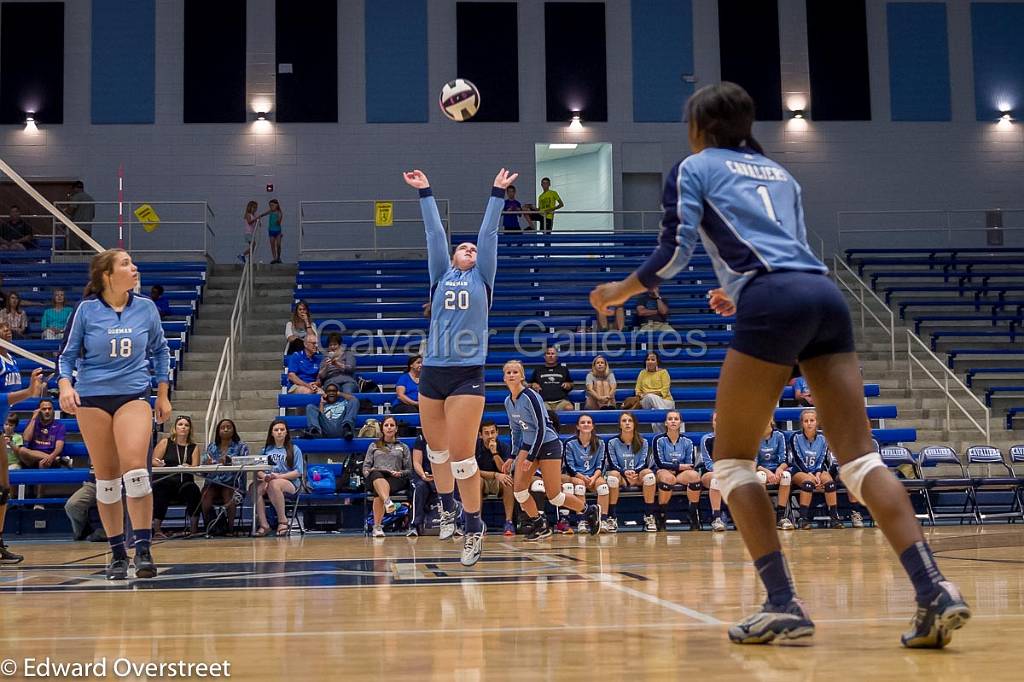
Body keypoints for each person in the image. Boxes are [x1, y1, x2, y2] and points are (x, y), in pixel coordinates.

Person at [589, 81, 968, 647]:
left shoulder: (693, 167)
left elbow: (674, 253)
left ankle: (782, 601)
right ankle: (934, 587)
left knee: (733, 462)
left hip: (773, 300)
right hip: (823, 295)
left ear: (699, 128)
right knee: (862, 462)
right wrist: (741, 291)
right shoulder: (783, 175)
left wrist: (615, 293)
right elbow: (780, 248)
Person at [403, 167, 514, 566]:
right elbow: (434, 235)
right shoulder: (440, 276)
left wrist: (496, 194)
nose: (468, 249)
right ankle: (446, 507)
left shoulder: (483, 276)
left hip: (468, 372)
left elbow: (487, 236)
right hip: (433, 370)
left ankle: (473, 526)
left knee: (464, 458)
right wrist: (425, 192)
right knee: (437, 453)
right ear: (452, 257)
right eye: (462, 248)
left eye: (471, 249)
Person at [58, 248, 172, 580]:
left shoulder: (146, 309)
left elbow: (161, 350)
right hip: (92, 398)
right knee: (106, 481)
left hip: (133, 394)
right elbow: (65, 357)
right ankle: (118, 553)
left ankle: (144, 548)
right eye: (126, 264)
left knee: (136, 470)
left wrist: (162, 394)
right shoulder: (86, 310)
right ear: (107, 275)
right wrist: (66, 386)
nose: (134, 267)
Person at [503, 360, 599, 541]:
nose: (512, 375)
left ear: (522, 376)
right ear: (504, 377)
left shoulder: (531, 396)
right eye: (508, 372)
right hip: (528, 445)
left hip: (547, 444)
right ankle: (540, 524)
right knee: (519, 491)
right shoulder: (508, 401)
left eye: (515, 372)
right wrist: (512, 456)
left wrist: (530, 457)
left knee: (554, 496)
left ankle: (589, 511)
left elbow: (541, 427)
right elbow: (515, 430)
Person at [0, 329, 46, 563]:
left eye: (8, 327)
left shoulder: (11, 359)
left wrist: (35, 388)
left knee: (3, 489)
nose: (6, 330)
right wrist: (29, 392)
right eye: (2, 327)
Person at [791, 409, 844, 529]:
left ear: (817, 422)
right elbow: (797, 458)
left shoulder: (823, 437)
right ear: (802, 423)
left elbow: (822, 458)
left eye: (812, 420)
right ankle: (803, 519)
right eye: (806, 421)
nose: (809, 423)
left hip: (818, 469)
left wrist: (818, 474)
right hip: (800, 470)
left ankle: (834, 517)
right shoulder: (795, 437)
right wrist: (810, 474)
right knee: (808, 484)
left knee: (830, 483)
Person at [151, 416, 202, 538]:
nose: (183, 427)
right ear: (175, 428)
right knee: (160, 489)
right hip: (166, 481)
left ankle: (193, 529)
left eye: (186, 425)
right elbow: (153, 460)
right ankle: (157, 529)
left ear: (190, 429)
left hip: (184, 483)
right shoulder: (165, 442)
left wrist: (188, 466)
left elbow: (195, 466)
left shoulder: (193, 447)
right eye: (180, 424)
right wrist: (158, 463)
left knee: (193, 490)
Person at [606, 411, 656, 531]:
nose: (627, 423)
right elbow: (613, 464)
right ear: (620, 425)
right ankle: (611, 517)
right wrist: (624, 473)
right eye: (624, 421)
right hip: (622, 476)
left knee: (649, 474)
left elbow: (643, 462)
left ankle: (649, 515)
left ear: (634, 424)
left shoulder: (643, 442)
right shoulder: (612, 442)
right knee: (613, 476)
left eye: (630, 421)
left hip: (637, 475)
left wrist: (634, 472)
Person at [363, 416, 412, 537]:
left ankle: (377, 527)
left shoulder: (403, 447)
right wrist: (370, 471)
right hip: (375, 476)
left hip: (395, 478)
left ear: (396, 429)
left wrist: (400, 473)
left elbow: (409, 470)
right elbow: (365, 468)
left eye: (392, 425)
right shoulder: (374, 445)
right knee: (376, 475)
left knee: (378, 492)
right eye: (386, 425)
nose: (389, 428)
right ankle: (387, 501)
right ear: (382, 429)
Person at [253, 419, 303, 537]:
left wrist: (279, 476)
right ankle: (264, 525)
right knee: (255, 488)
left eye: (282, 429)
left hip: (290, 482)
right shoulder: (265, 450)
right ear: (272, 433)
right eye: (276, 430)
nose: (279, 432)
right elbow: (258, 470)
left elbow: (298, 472)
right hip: (269, 480)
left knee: (275, 484)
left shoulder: (294, 449)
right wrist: (264, 476)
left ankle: (282, 521)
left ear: (286, 432)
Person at [653, 410, 701, 531]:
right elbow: (659, 462)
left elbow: (690, 463)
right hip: (663, 471)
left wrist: (678, 468)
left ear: (680, 423)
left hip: (680, 473)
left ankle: (693, 513)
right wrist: (678, 467)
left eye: (676, 419)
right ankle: (661, 515)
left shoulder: (687, 441)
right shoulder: (658, 440)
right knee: (668, 478)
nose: (673, 421)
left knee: (695, 476)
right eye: (670, 419)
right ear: (665, 423)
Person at [562, 414, 611, 533]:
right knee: (579, 486)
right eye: (583, 422)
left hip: (594, 475)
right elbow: (569, 466)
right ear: (578, 426)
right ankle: (582, 520)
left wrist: (594, 478)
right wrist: (581, 477)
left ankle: (602, 519)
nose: (586, 424)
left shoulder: (599, 442)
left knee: (603, 487)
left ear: (593, 426)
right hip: (576, 476)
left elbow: (601, 464)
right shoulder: (570, 443)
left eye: (589, 422)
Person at [200, 418, 248, 536]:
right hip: (213, 483)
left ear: (234, 430)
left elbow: (246, 464)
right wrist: (207, 463)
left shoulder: (241, 447)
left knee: (228, 493)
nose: (225, 429)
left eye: (228, 427)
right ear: (218, 431)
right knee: (205, 495)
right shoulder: (212, 446)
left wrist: (230, 462)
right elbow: (203, 468)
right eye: (222, 427)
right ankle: (209, 527)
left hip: (232, 484)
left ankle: (230, 529)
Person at [475, 420, 515, 536]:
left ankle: (509, 521)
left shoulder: (504, 447)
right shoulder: (474, 447)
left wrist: (495, 453)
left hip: (499, 482)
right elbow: (473, 472)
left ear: (497, 433)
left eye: (493, 432)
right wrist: (495, 474)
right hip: (481, 480)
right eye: (486, 433)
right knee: (476, 481)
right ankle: (477, 522)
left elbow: (505, 470)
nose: (490, 436)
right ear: (480, 435)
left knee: (508, 480)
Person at [756, 420, 793, 531]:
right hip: (761, 470)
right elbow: (753, 462)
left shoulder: (780, 435)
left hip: (777, 469)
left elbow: (786, 459)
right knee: (760, 476)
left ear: (770, 421)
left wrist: (780, 469)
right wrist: (768, 472)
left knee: (786, 476)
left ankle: (781, 516)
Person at [17, 399, 67, 469]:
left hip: (50, 458)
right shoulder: (32, 423)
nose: (47, 411)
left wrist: (51, 457)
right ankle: (59, 460)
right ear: (39, 411)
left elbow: (59, 448)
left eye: (49, 409)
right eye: (44, 409)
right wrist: (34, 418)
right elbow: (26, 439)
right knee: (22, 450)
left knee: (43, 464)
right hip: (32, 458)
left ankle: (54, 460)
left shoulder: (59, 426)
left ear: (53, 411)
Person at [699, 411, 727, 532]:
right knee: (716, 480)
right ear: (712, 423)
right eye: (716, 420)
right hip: (710, 474)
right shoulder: (707, 439)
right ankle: (716, 518)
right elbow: (708, 463)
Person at [408, 432, 438, 537]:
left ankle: (458, 523)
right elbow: (416, 462)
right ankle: (414, 525)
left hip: (442, 475)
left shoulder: (446, 436)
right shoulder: (421, 438)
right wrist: (423, 475)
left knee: (455, 485)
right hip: (424, 475)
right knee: (419, 487)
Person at [635, 351, 675, 432]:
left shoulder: (663, 372)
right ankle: (665, 418)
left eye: (653, 359)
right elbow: (637, 390)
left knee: (655, 417)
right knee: (649, 398)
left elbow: (664, 391)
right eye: (648, 359)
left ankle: (660, 437)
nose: (650, 361)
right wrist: (643, 395)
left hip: (664, 401)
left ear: (657, 362)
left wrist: (648, 393)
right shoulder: (642, 373)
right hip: (646, 402)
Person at [529, 346, 573, 412]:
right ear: (544, 356)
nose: (550, 355)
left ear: (557, 356)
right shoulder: (538, 370)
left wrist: (568, 385)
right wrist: (533, 385)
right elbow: (529, 385)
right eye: (548, 353)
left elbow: (571, 384)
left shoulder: (563, 369)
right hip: (544, 401)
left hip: (561, 401)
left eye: (553, 353)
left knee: (569, 407)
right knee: (541, 410)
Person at [64, 181, 95, 250]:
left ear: (75, 188)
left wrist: (66, 207)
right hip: (87, 226)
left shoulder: (76, 197)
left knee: (74, 249)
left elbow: (70, 211)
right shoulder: (90, 198)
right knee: (86, 248)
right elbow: (93, 215)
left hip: (77, 226)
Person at [260, 199, 284, 264]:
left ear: (276, 205)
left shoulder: (279, 212)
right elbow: (264, 214)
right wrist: (259, 216)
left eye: (272, 205)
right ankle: (274, 258)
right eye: (270, 205)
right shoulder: (270, 211)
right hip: (271, 231)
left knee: (278, 245)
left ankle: (278, 257)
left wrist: (278, 221)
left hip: (278, 231)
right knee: (272, 245)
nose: (271, 207)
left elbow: (279, 220)